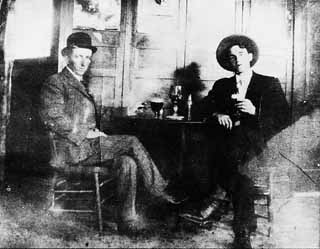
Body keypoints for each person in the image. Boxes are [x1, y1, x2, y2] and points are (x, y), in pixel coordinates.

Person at [40, 32, 181, 235]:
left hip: (85, 147)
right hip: (71, 151)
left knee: (127, 162)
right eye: (79, 56)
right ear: (67, 56)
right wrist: (85, 134)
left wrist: (95, 132)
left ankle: (127, 221)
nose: (84, 62)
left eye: (87, 57)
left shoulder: (79, 82)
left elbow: (81, 117)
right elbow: (52, 117)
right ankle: (159, 190)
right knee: (131, 141)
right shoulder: (56, 82)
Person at [183, 35, 290, 248]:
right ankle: (242, 231)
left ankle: (216, 199)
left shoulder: (268, 83)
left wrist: (255, 111)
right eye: (232, 57)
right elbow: (199, 109)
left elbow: (284, 118)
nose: (237, 59)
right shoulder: (223, 85)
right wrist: (216, 114)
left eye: (241, 54)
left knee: (237, 144)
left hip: (259, 148)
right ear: (229, 63)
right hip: (232, 155)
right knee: (240, 176)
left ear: (250, 56)